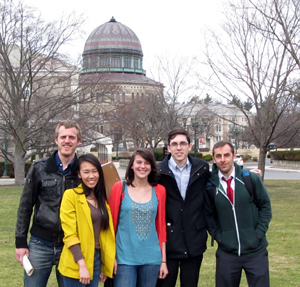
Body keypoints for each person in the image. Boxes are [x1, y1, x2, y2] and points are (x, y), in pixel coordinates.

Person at [15, 120, 82, 287]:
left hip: (71, 245)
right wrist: (20, 242)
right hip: (40, 244)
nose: (67, 140)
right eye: (63, 136)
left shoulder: (83, 170)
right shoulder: (39, 168)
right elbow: (25, 206)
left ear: (78, 141)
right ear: (56, 140)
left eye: (72, 137)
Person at [204, 141, 272, 287]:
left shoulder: (250, 179)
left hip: (256, 251)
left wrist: (258, 234)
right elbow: (208, 216)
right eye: (219, 156)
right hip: (227, 253)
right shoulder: (210, 186)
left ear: (234, 156)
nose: (223, 160)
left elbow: (265, 207)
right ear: (214, 158)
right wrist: (219, 237)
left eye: (227, 155)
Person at [156, 128, 210, 287]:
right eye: (174, 144)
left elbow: (220, 179)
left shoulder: (202, 168)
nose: (178, 148)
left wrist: (247, 174)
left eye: (182, 144)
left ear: (190, 146)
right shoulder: (158, 172)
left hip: (194, 239)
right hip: (169, 241)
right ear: (168, 148)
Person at [109, 148, 168, 287]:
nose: (142, 166)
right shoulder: (120, 187)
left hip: (152, 259)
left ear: (152, 167)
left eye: (147, 163)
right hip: (124, 259)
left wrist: (163, 261)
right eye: (139, 162)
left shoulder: (160, 190)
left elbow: (161, 227)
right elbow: (111, 225)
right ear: (132, 165)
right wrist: (110, 257)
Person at [58, 154, 115, 287]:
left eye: (94, 171)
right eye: (86, 172)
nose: (91, 176)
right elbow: (69, 234)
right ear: (79, 174)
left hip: (95, 260)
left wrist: (104, 264)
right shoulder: (71, 196)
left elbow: (103, 234)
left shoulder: (101, 200)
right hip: (76, 261)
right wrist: (82, 265)